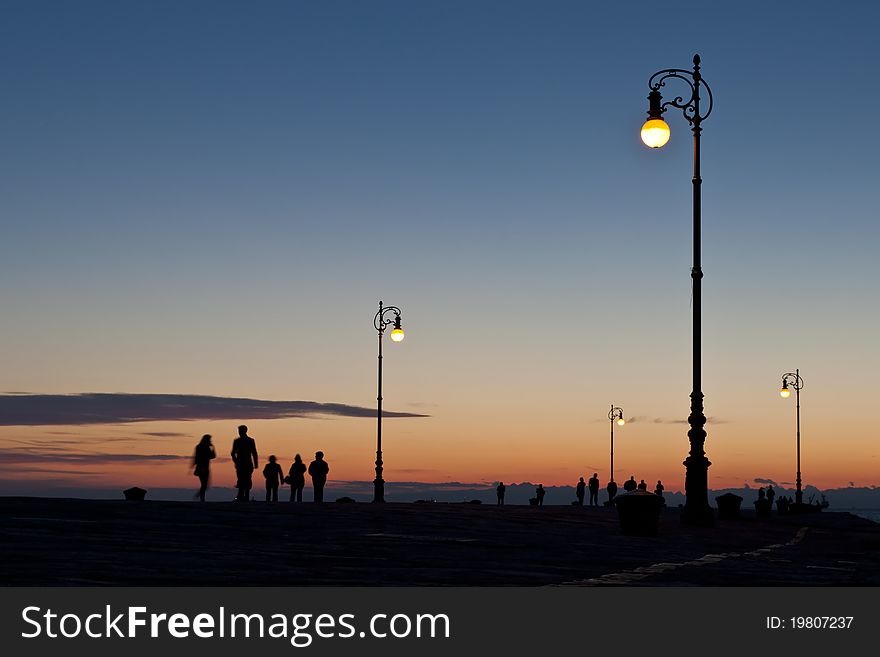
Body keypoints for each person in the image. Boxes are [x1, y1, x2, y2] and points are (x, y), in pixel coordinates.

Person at [231, 425, 258, 502]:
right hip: (244, 463)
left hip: (244, 463)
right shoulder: (249, 440)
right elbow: (254, 453)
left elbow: (254, 452)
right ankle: (243, 496)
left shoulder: (240, 441)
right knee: (244, 479)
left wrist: (236, 461)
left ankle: (243, 496)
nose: (239, 432)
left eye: (240, 431)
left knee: (244, 479)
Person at [192, 434, 215, 502]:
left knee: (204, 484)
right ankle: (201, 497)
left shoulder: (199, 447)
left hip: (201, 467)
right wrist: (213, 447)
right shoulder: (205, 448)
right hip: (203, 468)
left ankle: (201, 497)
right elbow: (213, 456)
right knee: (204, 484)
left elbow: (195, 457)